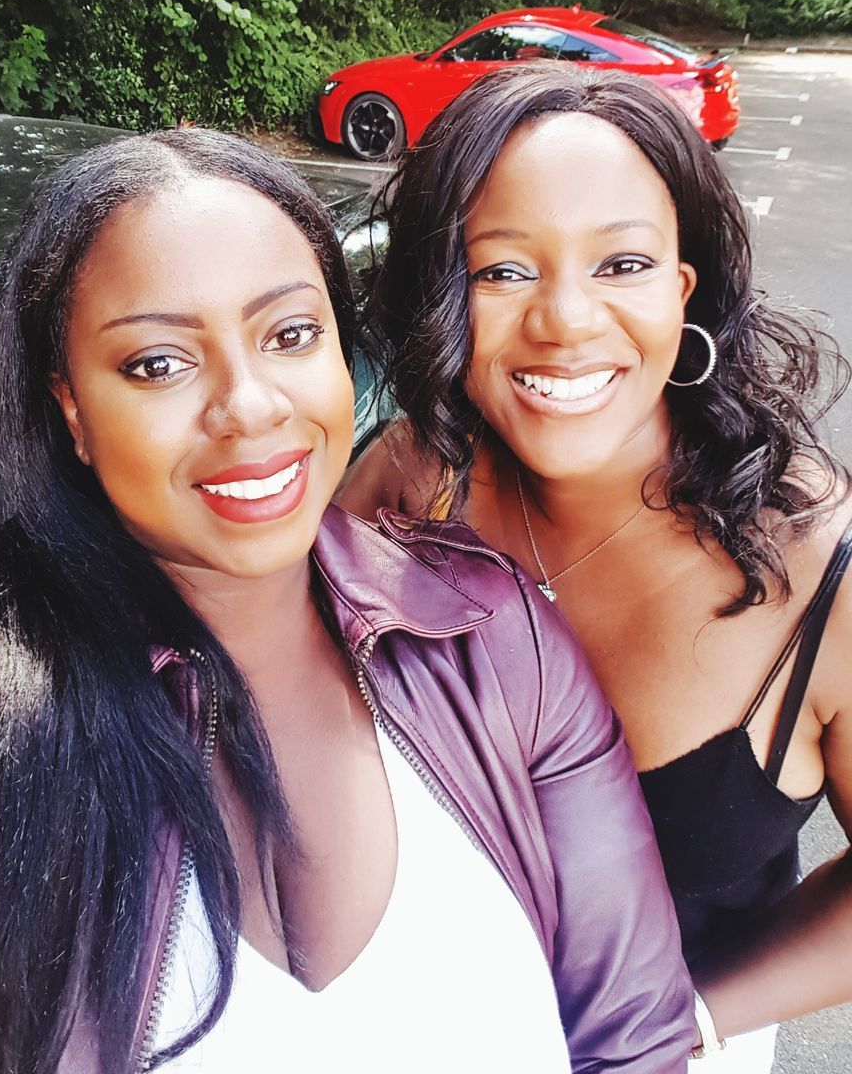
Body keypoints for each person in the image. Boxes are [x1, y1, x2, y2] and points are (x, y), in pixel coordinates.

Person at [0, 129, 693, 1073]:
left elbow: (635, 1040)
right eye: (157, 363)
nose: (251, 404)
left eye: (289, 335)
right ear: (70, 408)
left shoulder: (493, 635)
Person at [340, 63, 852, 1071]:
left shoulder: (818, 572)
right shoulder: (413, 474)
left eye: (620, 264)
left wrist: (669, 1023)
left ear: (683, 285)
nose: (566, 321)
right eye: (502, 268)